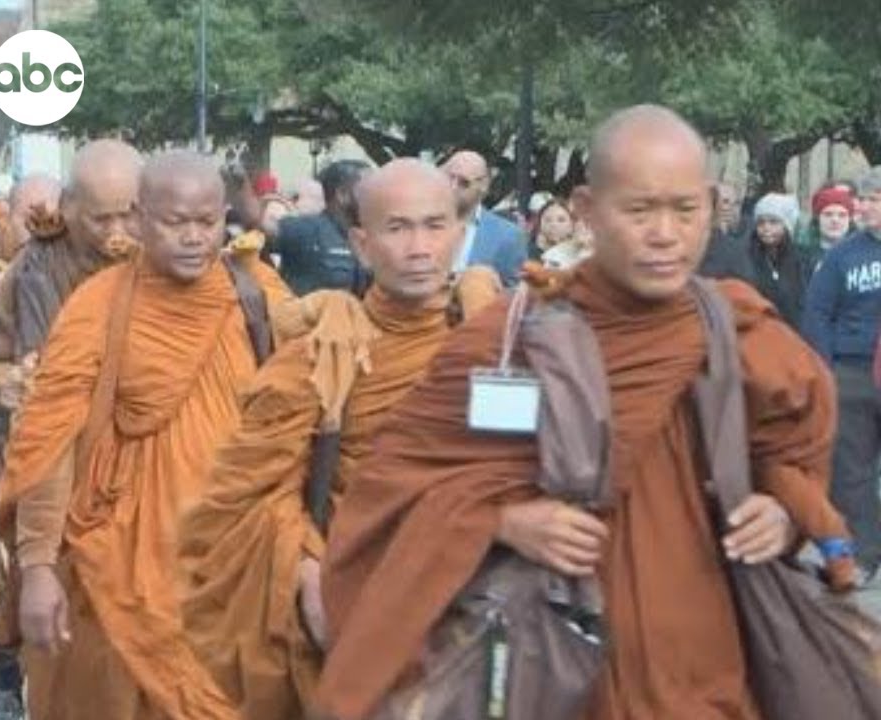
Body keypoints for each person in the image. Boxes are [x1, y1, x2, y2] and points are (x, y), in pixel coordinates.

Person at [316, 105, 850, 720]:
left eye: (685, 210)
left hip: (705, 664)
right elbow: (393, 487)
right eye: (639, 210)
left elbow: (795, 454)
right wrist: (500, 520)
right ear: (588, 210)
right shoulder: (510, 339)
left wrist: (783, 514)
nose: (665, 234)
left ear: (710, 205)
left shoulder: (739, 329)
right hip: (553, 670)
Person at [178, 159, 501, 720]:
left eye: (434, 226)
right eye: (398, 229)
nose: (420, 248)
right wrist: (305, 569)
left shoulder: (491, 340)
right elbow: (246, 494)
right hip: (353, 601)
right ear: (361, 242)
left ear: (458, 232)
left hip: (468, 608)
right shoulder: (320, 352)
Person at [0, 151, 298, 720]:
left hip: (226, 571)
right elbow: (49, 444)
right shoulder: (96, 306)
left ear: (226, 216)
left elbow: (297, 425)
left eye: (206, 222)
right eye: (173, 222)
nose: (192, 238)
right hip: (113, 563)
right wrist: (36, 568)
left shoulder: (257, 297)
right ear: (140, 216)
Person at [0, 140, 142, 720]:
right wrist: (3, 379)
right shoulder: (36, 268)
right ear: (69, 208)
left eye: (129, 213)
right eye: (101, 217)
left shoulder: (171, 260)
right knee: (18, 588)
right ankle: (7, 688)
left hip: (141, 469)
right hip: (45, 453)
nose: (118, 230)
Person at [801, 167, 881, 582]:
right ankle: (865, 555)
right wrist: (825, 368)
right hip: (853, 370)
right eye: (863, 200)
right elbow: (817, 311)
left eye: (874, 199)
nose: (864, 207)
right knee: (851, 470)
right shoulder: (843, 255)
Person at [269, 160, 372, 296]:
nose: (377, 196)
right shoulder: (305, 230)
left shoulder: (372, 238)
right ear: (342, 195)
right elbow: (258, 230)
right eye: (368, 190)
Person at [441, 150, 529, 287]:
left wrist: (477, 285)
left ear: (483, 186)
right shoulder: (417, 223)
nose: (453, 186)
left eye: (463, 182)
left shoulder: (507, 235)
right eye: (448, 178)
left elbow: (517, 296)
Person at [734, 193, 818, 328]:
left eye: (773, 222)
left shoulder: (803, 260)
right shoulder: (746, 258)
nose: (766, 228)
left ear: (786, 225)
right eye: (761, 222)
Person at [811, 185, 855, 252]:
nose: (835, 220)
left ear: (850, 219)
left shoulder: (863, 254)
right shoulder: (800, 254)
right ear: (817, 218)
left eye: (842, 215)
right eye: (828, 214)